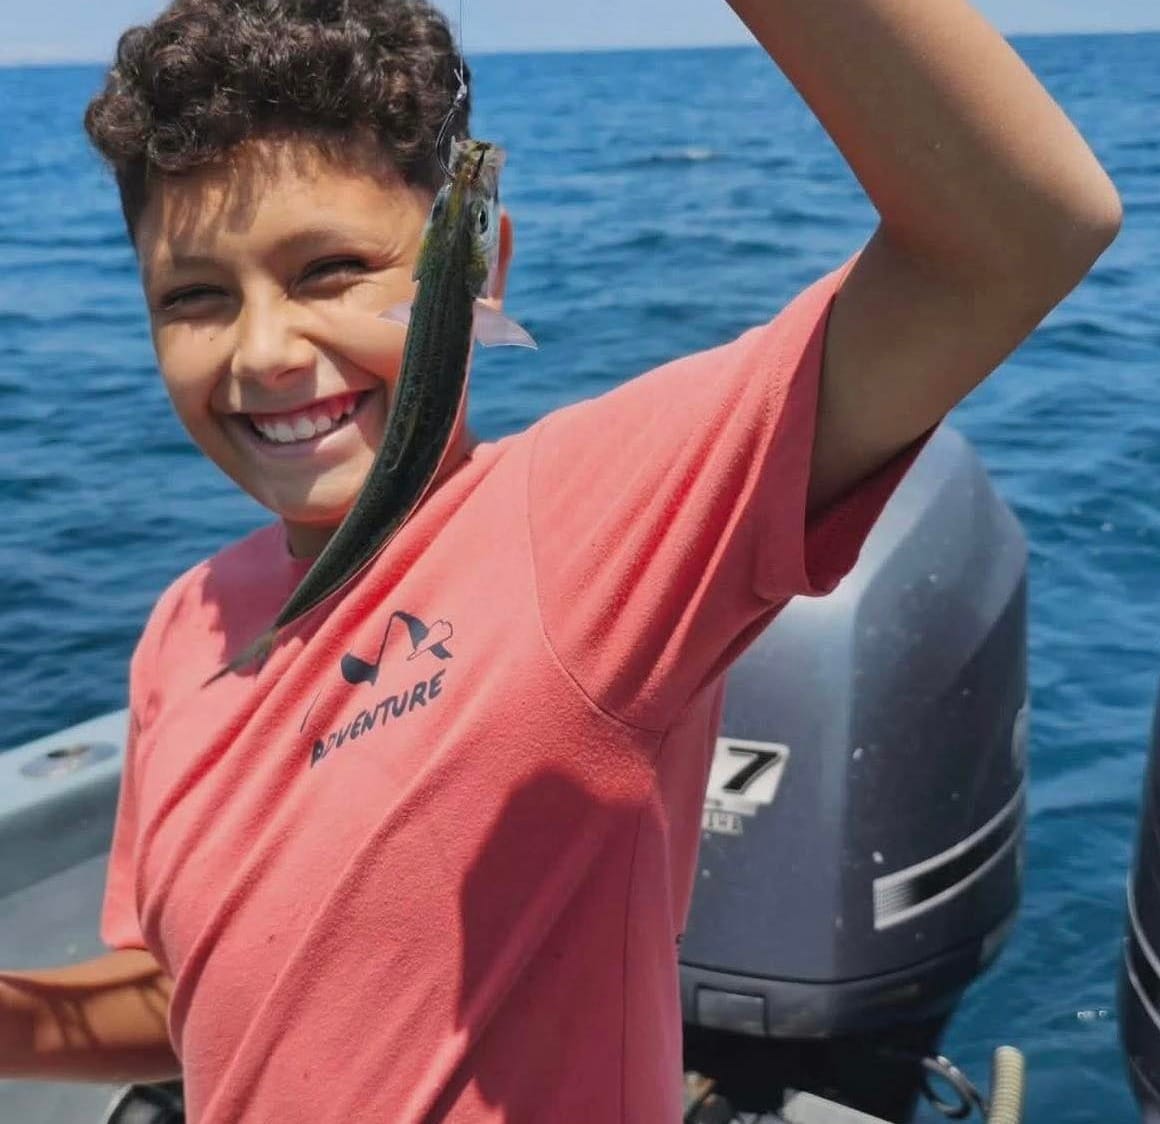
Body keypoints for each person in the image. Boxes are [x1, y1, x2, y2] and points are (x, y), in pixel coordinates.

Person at [0, 0, 1120, 1120]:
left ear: (481, 274)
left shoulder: (586, 521)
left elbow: (1014, 233)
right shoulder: (185, 622)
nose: (264, 351)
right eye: (192, 297)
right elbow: (203, 985)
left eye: (331, 268)